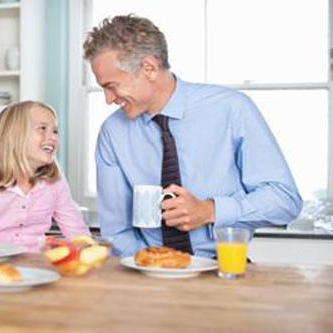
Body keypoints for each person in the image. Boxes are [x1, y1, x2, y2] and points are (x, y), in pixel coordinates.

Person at [83, 14, 302, 258]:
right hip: (146, 271)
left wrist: (211, 211)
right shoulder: (113, 133)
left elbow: (284, 200)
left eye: (111, 86)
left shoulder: (232, 109)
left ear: (149, 68)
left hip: (222, 269)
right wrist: (157, 265)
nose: (108, 99)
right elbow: (117, 232)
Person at [0, 101, 90, 252]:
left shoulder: (55, 183)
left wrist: (87, 249)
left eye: (55, 131)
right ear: (14, 136)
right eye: (42, 129)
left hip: (37, 266)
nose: (53, 137)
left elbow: (77, 231)